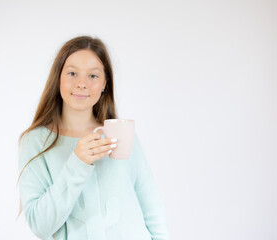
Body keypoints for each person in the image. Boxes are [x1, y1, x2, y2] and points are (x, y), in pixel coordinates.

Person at [17, 35, 169, 240]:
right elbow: (40, 225)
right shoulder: (35, 141)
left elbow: (153, 211)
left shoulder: (120, 133)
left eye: (93, 76)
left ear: (105, 83)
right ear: (58, 78)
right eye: (72, 73)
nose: (82, 83)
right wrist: (77, 162)